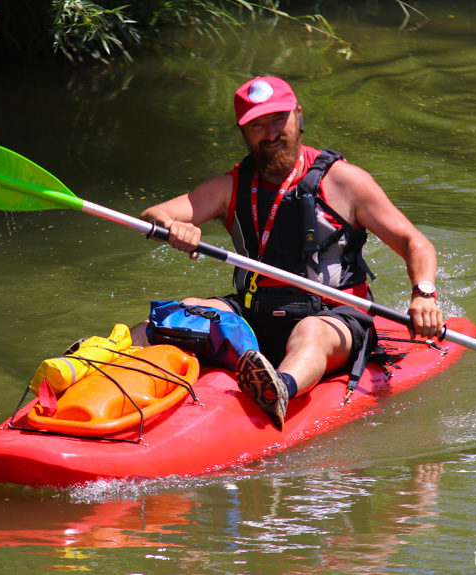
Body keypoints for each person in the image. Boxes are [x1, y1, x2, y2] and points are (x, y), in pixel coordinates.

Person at [133, 76, 444, 431]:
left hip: (332, 318)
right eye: (257, 125)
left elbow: (414, 243)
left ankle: (278, 389)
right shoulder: (230, 186)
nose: (270, 133)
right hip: (254, 313)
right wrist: (175, 227)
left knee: (310, 331)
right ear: (243, 133)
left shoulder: (344, 182)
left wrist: (424, 294)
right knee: (180, 312)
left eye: (279, 119)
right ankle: (106, 360)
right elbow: (153, 216)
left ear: (299, 116)